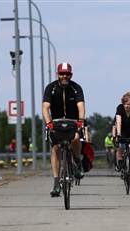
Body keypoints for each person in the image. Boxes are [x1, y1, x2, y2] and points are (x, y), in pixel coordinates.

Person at [42, 62, 86, 197]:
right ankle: (56, 182)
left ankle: (77, 162)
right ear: (57, 74)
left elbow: (81, 106)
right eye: (62, 73)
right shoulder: (51, 88)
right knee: (56, 149)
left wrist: (81, 121)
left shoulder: (76, 88)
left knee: (76, 138)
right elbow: (45, 107)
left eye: (67, 74)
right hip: (56, 123)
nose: (64, 76)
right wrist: (49, 122)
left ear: (71, 75)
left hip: (73, 122)